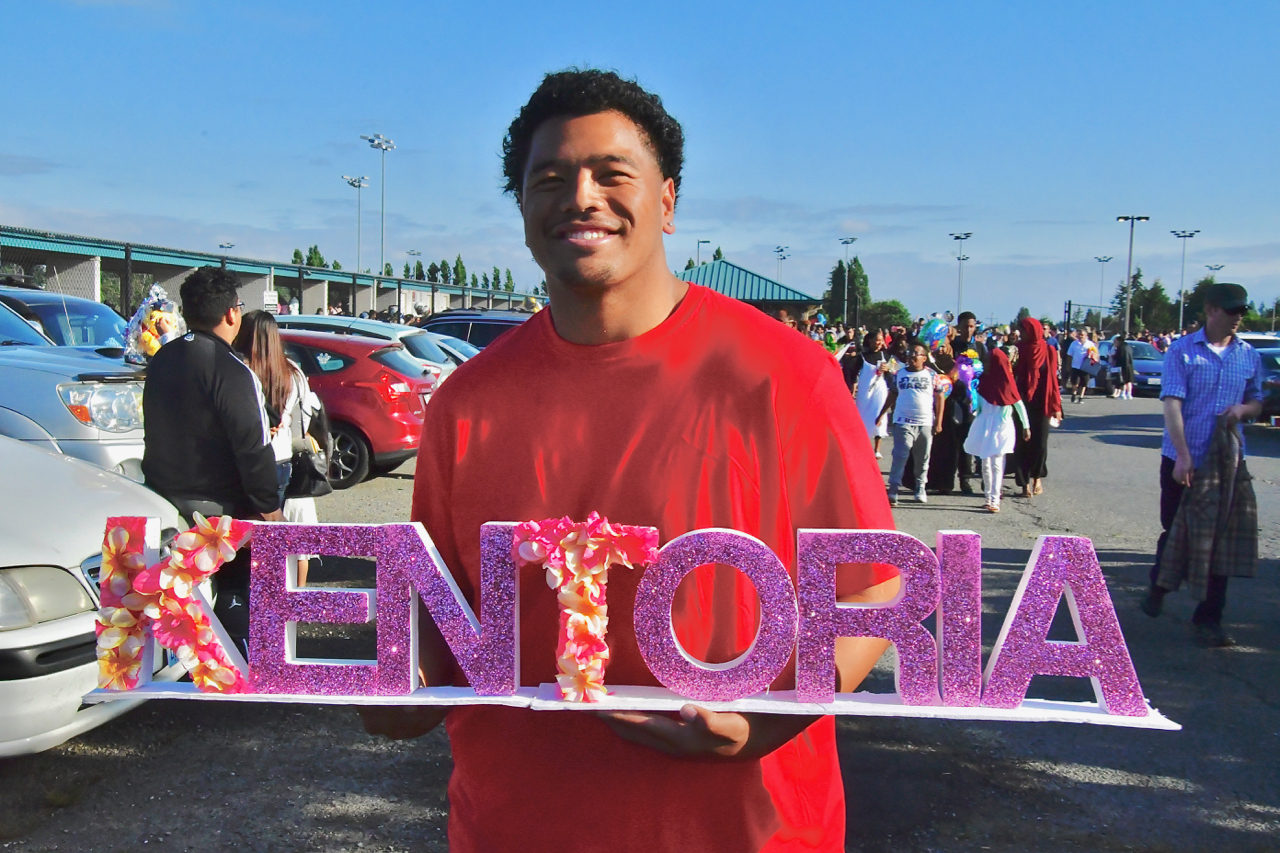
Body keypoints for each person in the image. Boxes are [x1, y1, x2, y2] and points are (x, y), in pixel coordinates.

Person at [358, 69, 899, 853]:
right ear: (522, 210)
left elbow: (872, 585)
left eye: (612, 174)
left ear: (668, 202)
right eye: (550, 178)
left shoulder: (784, 375)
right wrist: (376, 682)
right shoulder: (467, 404)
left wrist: (764, 721)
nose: (581, 196)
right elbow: (443, 610)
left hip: (748, 829)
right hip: (513, 825)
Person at [141, 267, 283, 646]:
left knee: (176, 604)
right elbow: (252, 447)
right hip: (221, 511)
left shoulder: (163, 359)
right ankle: (236, 663)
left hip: (163, 498)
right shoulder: (232, 370)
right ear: (231, 314)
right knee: (234, 606)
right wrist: (270, 508)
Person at [1141, 283, 1263, 647]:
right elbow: (1172, 405)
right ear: (1211, 311)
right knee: (1176, 528)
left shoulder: (1247, 355)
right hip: (1183, 456)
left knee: (1220, 540)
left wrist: (1243, 410)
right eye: (1231, 310)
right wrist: (1182, 456)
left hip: (1227, 461)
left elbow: (1257, 401)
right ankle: (1159, 586)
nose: (1238, 316)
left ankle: (1209, 619)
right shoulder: (1181, 351)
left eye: (1242, 310)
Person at [232, 310, 322, 585]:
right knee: (276, 533)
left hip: (243, 458)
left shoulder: (238, 370)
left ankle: (245, 598)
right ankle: (277, 597)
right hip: (282, 460)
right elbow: (303, 423)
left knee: (244, 535)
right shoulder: (292, 372)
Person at [964, 347, 1030, 512]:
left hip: (1002, 426)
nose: (985, 364)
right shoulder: (982, 383)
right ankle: (988, 496)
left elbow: (1019, 405)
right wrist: (970, 401)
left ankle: (995, 499)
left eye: (988, 361)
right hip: (984, 424)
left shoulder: (1008, 384)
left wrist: (1026, 425)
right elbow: (977, 405)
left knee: (997, 462)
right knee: (985, 463)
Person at [880, 342, 944, 505]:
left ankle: (920, 488)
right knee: (900, 456)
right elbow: (892, 394)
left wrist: (939, 421)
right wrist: (881, 414)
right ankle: (893, 489)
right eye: (910, 353)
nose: (912, 356)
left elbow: (940, 397)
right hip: (903, 422)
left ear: (924, 357)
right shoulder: (900, 374)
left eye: (916, 353)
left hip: (925, 422)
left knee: (922, 458)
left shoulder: (931, 375)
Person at [1013, 318, 1063, 497]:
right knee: (1022, 442)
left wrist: (1056, 406)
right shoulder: (1018, 349)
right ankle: (1024, 482)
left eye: (1024, 330)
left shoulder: (1048, 350)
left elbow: (1053, 380)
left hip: (1042, 401)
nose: (1021, 334)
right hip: (1022, 401)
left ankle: (1037, 476)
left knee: (1040, 443)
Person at [853, 329, 891, 458]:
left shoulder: (885, 356)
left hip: (880, 390)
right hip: (865, 390)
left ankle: (877, 448)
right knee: (863, 415)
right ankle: (862, 445)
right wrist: (852, 388)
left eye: (881, 340)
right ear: (870, 341)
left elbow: (893, 372)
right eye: (877, 340)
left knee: (879, 414)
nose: (879, 343)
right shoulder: (862, 356)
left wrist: (888, 369)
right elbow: (853, 373)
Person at [1067, 327, 1098, 403]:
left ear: (1086, 335)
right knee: (1075, 382)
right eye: (1080, 335)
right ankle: (1074, 394)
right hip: (1075, 366)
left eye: (1082, 335)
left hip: (1085, 367)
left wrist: (1092, 356)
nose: (1081, 336)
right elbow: (1069, 355)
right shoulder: (1074, 344)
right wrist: (1068, 365)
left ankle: (1081, 397)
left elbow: (1096, 354)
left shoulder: (1090, 344)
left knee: (1084, 383)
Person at [1111, 334, 1135, 399]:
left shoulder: (1120, 347)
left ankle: (1123, 394)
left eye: (1115, 341)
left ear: (1119, 341)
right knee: (1129, 381)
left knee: (1123, 380)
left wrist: (1113, 356)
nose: (1115, 343)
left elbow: (1119, 357)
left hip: (1122, 366)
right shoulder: (1128, 347)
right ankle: (1129, 394)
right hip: (1130, 365)